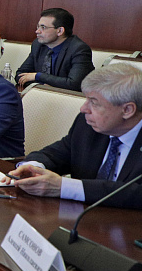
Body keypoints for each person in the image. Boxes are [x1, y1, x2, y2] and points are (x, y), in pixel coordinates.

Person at [8, 65, 142, 206]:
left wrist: (64, 187)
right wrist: (32, 167)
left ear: (127, 110)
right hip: (79, 215)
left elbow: (137, 193)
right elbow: (57, 154)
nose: (83, 109)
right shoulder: (87, 125)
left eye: (94, 103)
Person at [16, 7, 94, 91]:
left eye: (43, 27)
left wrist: (38, 76)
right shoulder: (38, 45)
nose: (37, 31)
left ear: (60, 31)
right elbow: (20, 75)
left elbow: (74, 84)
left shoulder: (79, 49)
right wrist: (41, 86)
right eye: (38, 26)